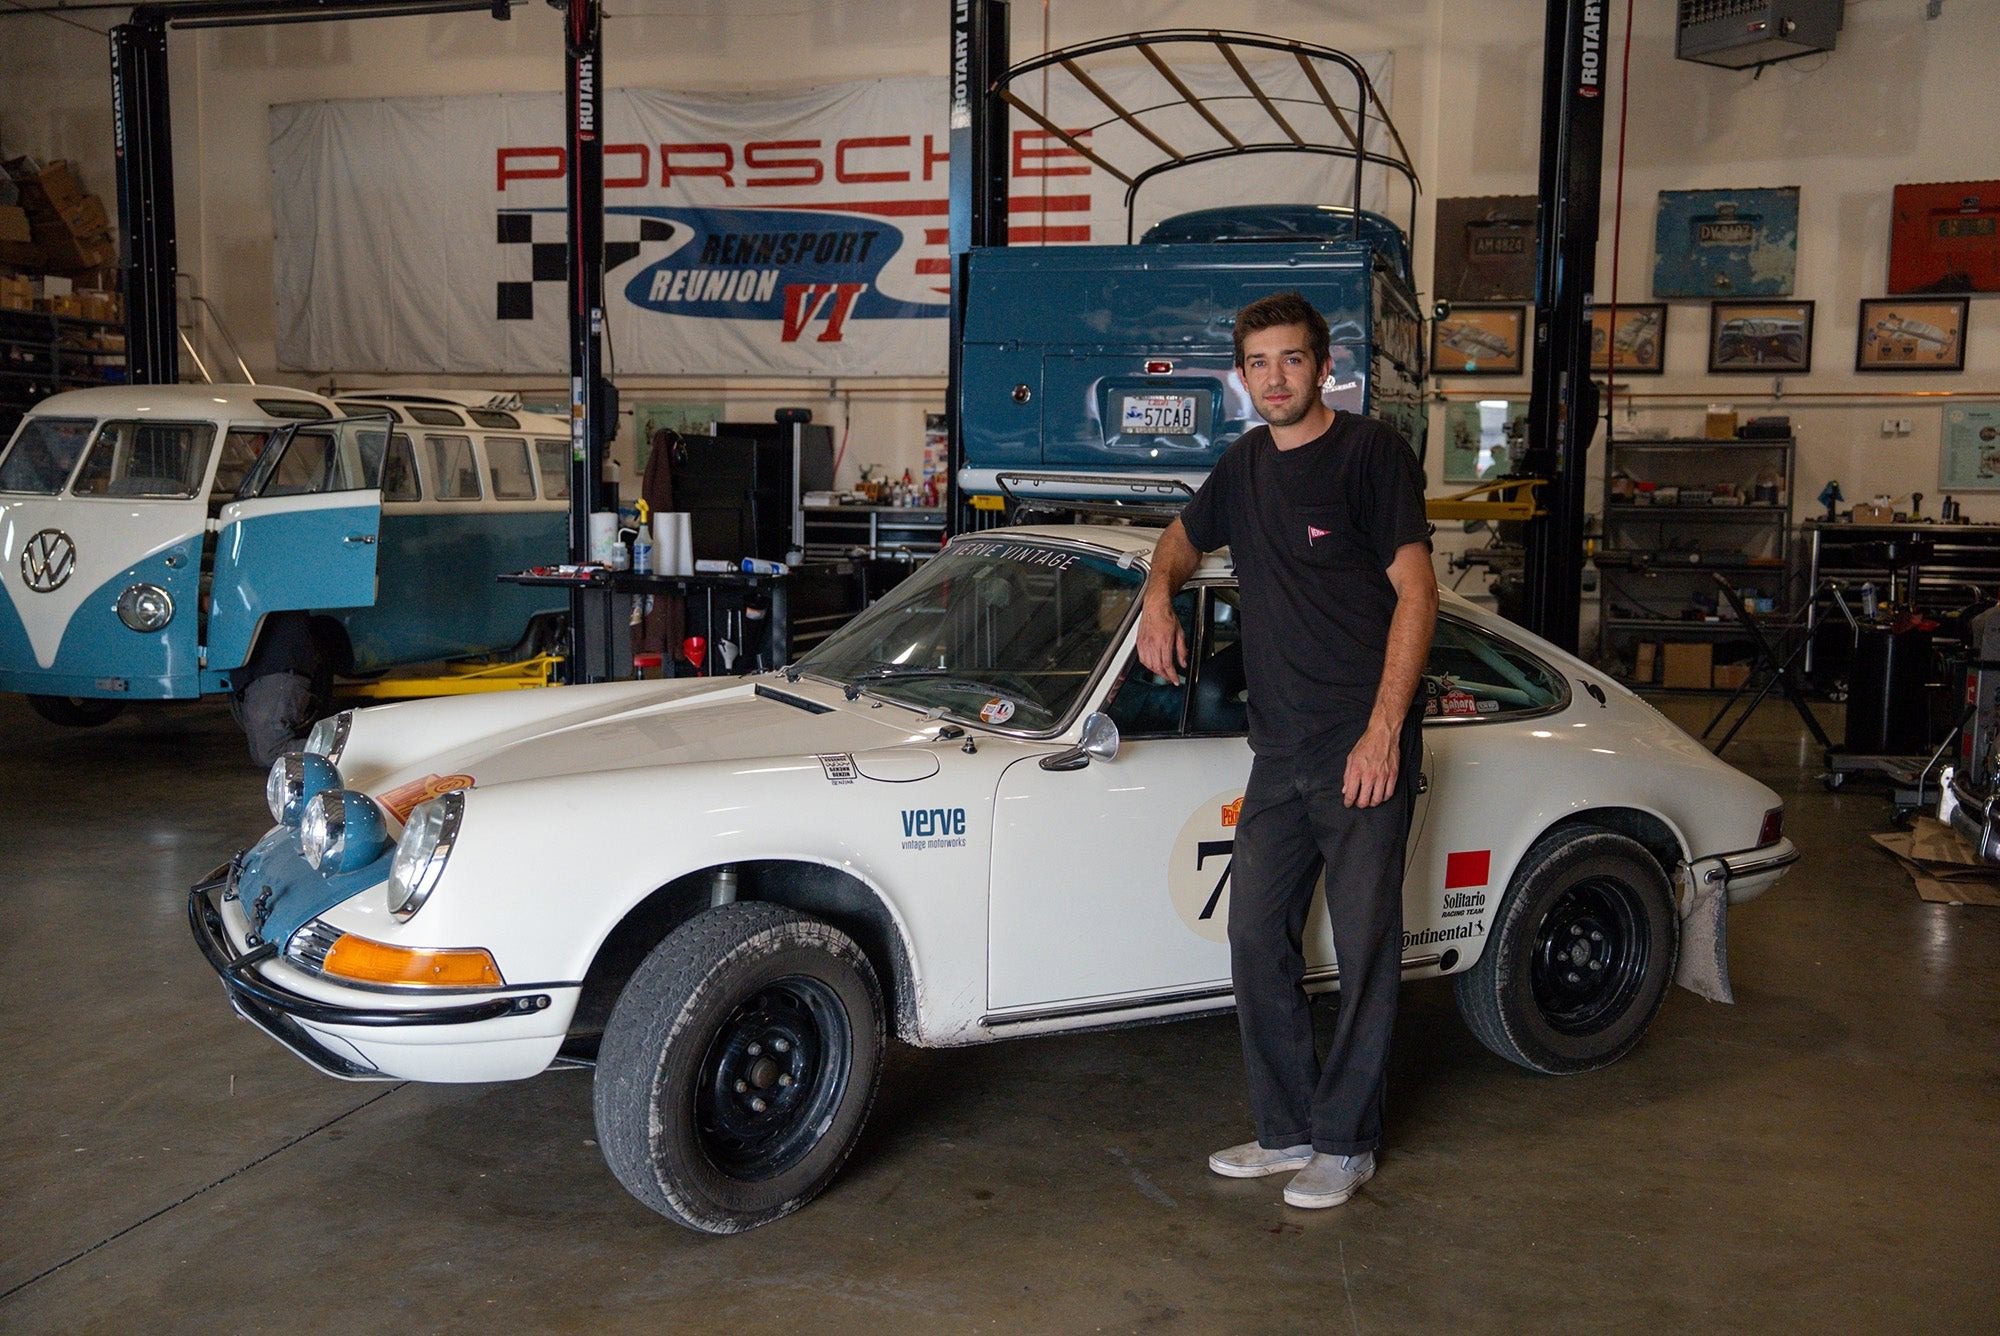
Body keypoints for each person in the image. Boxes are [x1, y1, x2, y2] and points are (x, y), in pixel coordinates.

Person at [1136, 290, 1437, 1209]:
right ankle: (1289, 1129)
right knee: (1255, 930)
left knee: (1364, 945)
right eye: (1259, 363)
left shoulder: (1370, 456)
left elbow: (1417, 597)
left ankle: (1345, 1143)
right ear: (1243, 376)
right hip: (1280, 751)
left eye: (1291, 360)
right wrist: (1157, 592)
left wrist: (1384, 732)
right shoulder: (1242, 466)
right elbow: (1180, 542)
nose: (1275, 377)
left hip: (1361, 747)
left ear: (1324, 365)